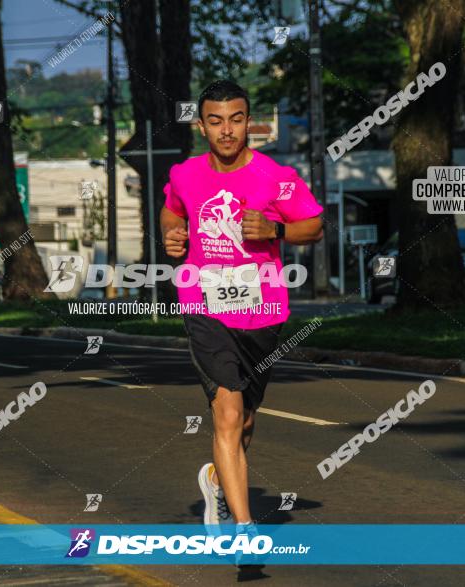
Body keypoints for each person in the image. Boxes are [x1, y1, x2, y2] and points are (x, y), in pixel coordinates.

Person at [160, 80, 324, 539]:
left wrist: (274, 231)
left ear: (248, 122)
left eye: (236, 120)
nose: (227, 131)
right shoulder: (185, 174)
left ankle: (216, 481)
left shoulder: (276, 175)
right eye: (216, 121)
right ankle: (243, 527)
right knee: (227, 415)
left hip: (262, 309)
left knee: (246, 420)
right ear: (201, 126)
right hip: (203, 302)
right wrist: (174, 235)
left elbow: (312, 227)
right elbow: (172, 212)